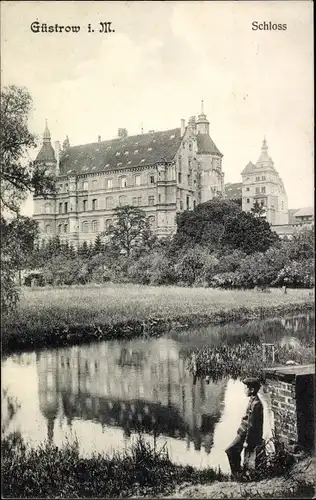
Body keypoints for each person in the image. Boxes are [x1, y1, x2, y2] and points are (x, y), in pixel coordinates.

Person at [225, 377, 264, 479]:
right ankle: (239, 472)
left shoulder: (256, 404)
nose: (244, 390)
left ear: (251, 390)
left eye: (245, 388)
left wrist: (247, 441)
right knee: (233, 451)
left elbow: (252, 425)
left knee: (230, 450)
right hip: (242, 432)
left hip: (245, 434)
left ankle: (236, 473)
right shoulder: (253, 400)